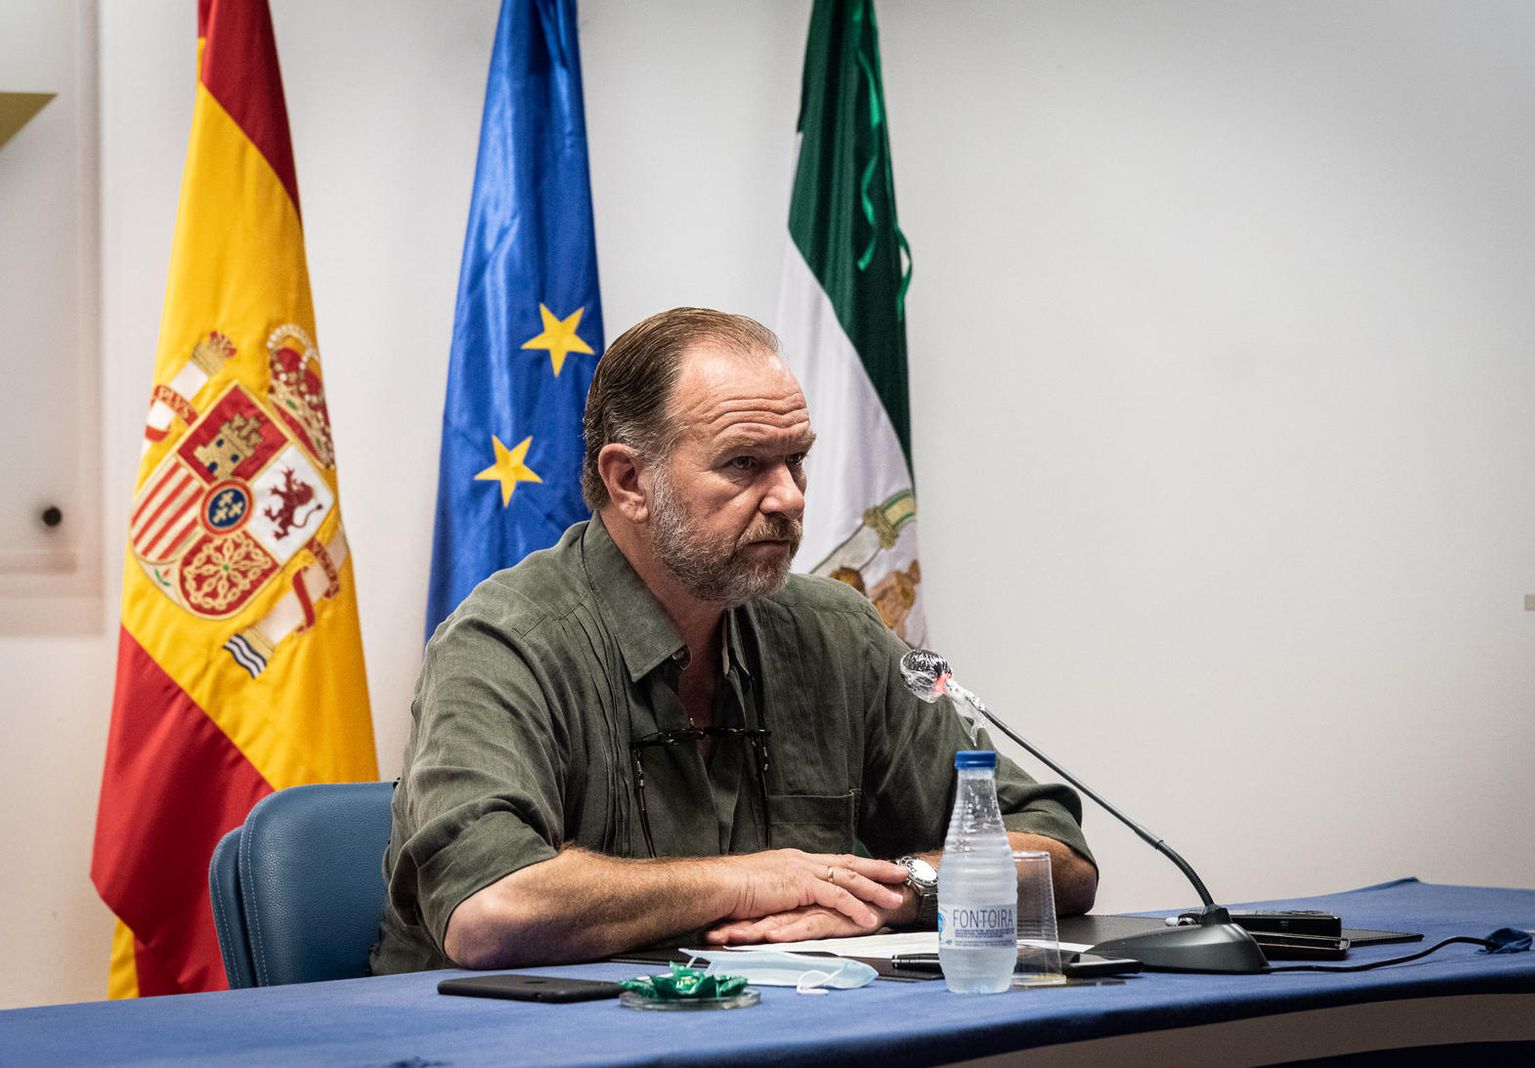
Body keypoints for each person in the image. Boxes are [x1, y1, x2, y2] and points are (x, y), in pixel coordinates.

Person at [371, 308, 1096, 973]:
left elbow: (1055, 852)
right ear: (629, 481)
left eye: (797, 460)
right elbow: (489, 913)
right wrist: (752, 880)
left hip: (780, 1033)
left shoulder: (833, 631)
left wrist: (909, 887)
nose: (789, 497)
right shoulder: (506, 643)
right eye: (745, 463)